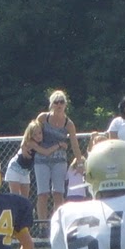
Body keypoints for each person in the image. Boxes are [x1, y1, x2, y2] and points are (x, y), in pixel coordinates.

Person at [27, 90, 81, 221]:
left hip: (59, 161)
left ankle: (58, 223)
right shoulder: (43, 118)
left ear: (65, 104)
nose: (59, 105)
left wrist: (80, 162)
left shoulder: (69, 124)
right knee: (42, 193)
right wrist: (25, 147)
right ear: (51, 104)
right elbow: (30, 133)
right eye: (56, 102)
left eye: (61, 102)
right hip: (41, 160)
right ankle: (42, 225)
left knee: (58, 193)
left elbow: (74, 145)